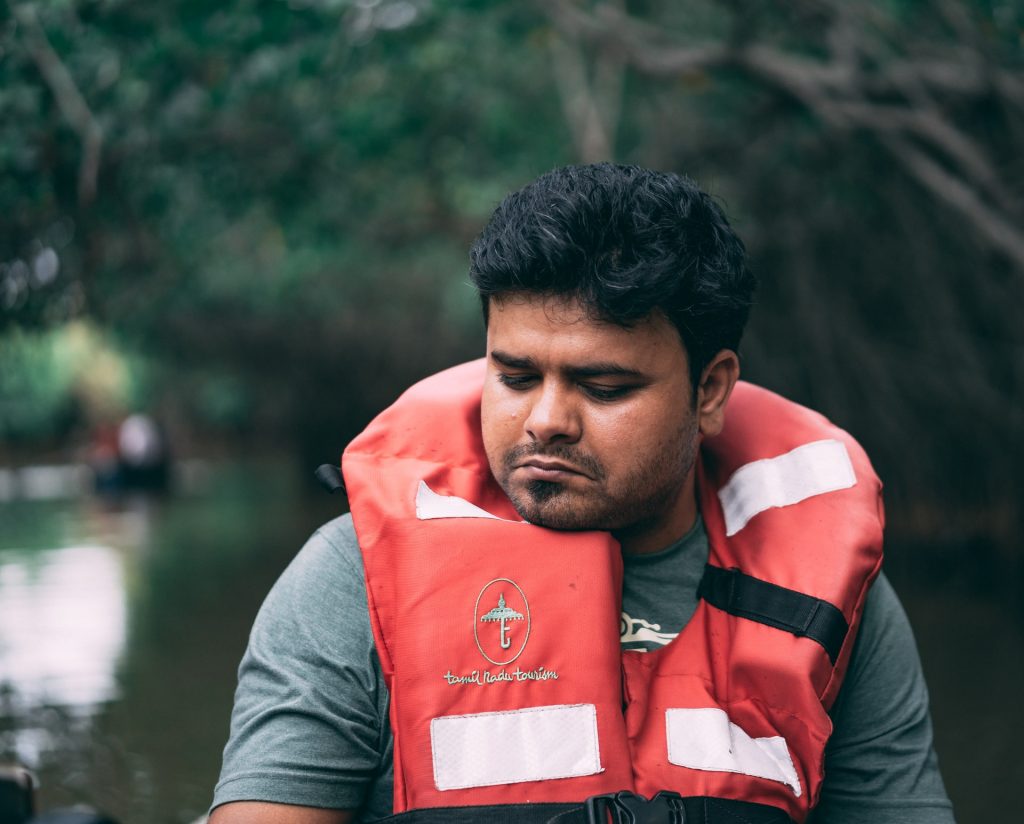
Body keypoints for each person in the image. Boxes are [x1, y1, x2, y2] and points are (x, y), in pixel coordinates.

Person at [209, 164, 955, 823]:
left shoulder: (834, 607)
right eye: (516, 376)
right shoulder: (355, 578)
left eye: (603, 387)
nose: (546, 423)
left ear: (710, 390)